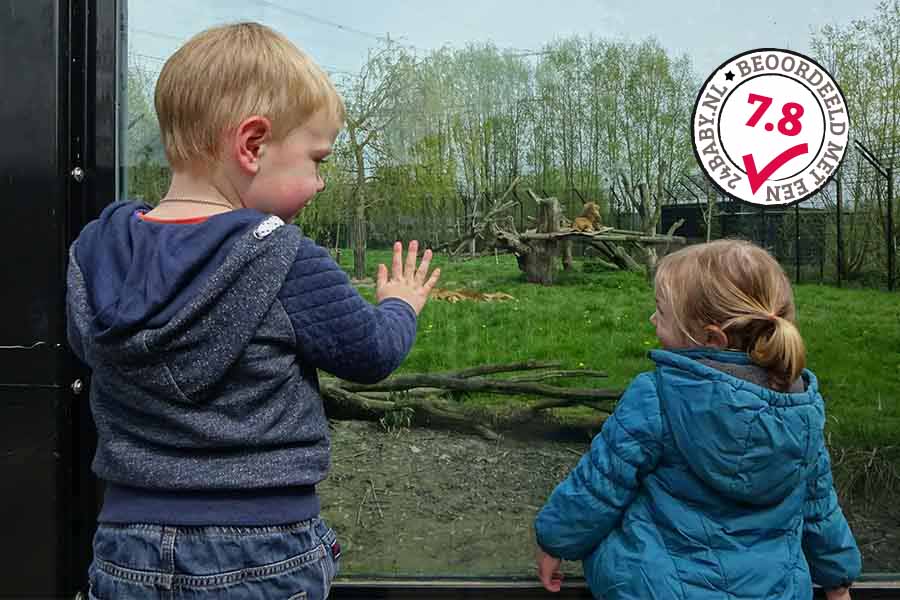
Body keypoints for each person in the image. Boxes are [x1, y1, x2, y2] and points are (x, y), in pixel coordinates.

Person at [67, 22, 439, 599]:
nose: (318, 182)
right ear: (252, 145)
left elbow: (86, 347)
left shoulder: (97, 253)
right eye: (316, 159)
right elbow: (370, 354)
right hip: (262, 547)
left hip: (125, 546)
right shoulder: (283, 258)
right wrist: (399, 306)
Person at [534, 239, 860, 600]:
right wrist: (838, 580)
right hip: (773, 590)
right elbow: (820, 506)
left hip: (652, 588)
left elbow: (601, 482)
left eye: (662, 312)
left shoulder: (656, 395)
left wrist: (555, 542)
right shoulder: (801, 407)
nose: (652, 319)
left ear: (711, 338)